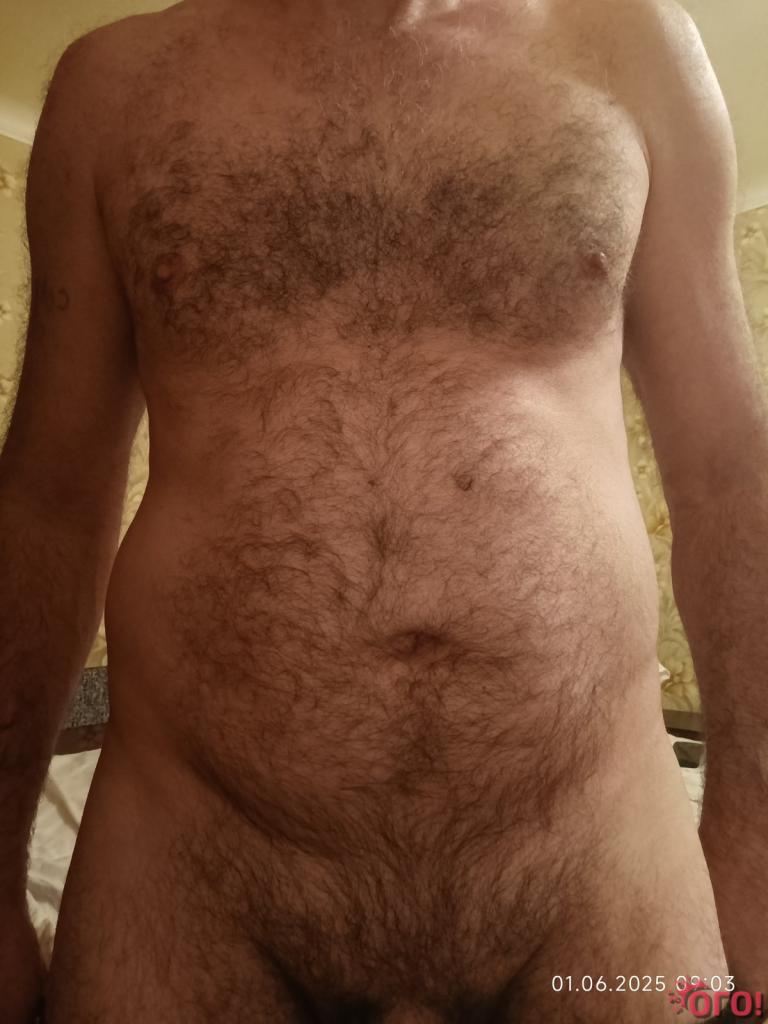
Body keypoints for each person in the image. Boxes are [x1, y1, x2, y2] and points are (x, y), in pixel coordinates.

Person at [1, 0, 766, 1020]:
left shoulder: (636, 48)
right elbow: (48, 501)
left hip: (594, 866)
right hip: (194, 871)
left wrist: (755, 839)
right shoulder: (113, 87)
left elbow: (727, 470)